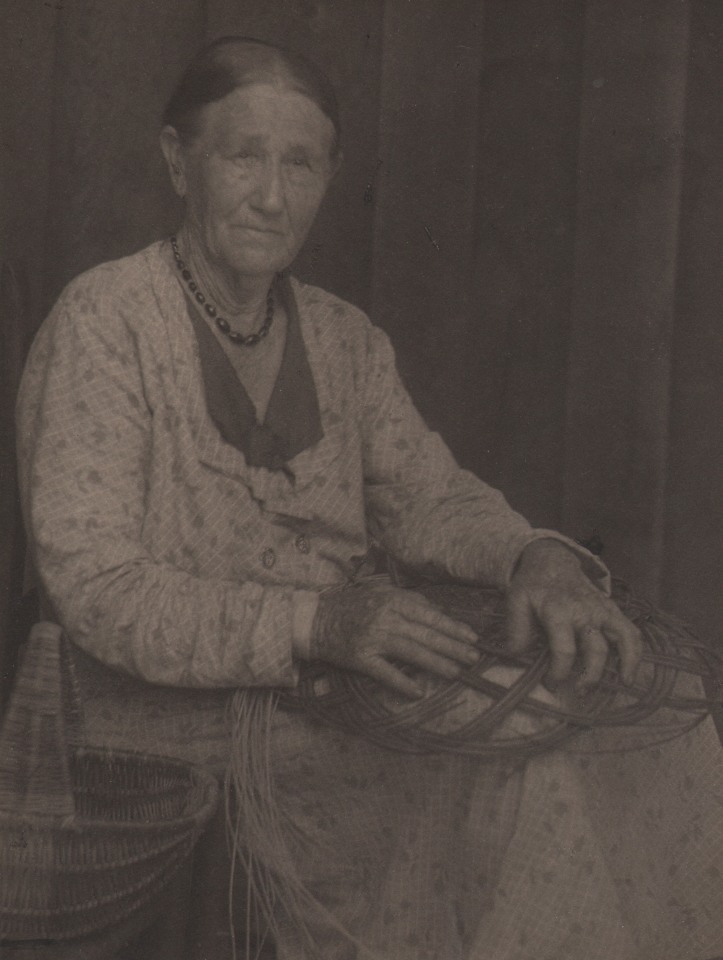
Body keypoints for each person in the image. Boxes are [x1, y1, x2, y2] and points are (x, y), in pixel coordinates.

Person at [15, 36, 723, 960]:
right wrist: (316, 625)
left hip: (333, 680)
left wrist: (531, 554)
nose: (272, 195)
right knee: (519, 762)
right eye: (242, 155)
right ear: (175, 159)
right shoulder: (105, 320)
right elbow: (97, 589)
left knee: (648, 699)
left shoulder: (345, 341)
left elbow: (427, 498)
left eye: (300, 163)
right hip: (166, 709)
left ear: (330, 175)